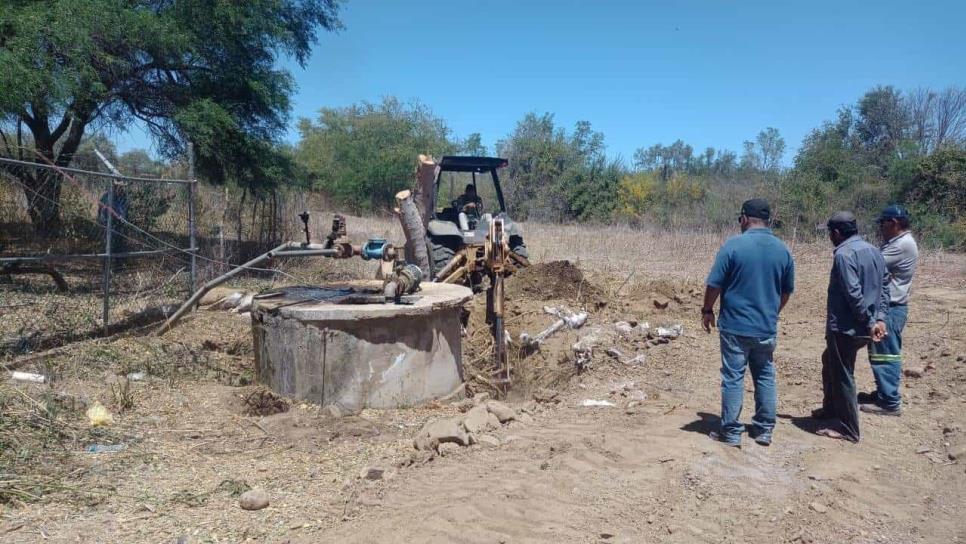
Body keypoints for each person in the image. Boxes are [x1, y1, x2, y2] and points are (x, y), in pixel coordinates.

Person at [702, 198, 795, 447]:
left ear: (744, 218)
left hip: (735, 326)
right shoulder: (783, 249)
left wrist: (707, 309)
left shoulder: (733, 246)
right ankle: (764, 430)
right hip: (766, 326)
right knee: (765, 374)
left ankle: (731, 432)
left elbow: (714, 284)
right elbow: (786, 291)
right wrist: (773, 312)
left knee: (733, 376)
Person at [814, 211, 889, 442]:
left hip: (846, 327)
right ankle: (831, 408)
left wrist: (869, 322)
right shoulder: (874, 250)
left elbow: (852, 293)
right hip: (866, 324)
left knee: (843, 374)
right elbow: (885, 287)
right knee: (830, 361)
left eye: (829, 233)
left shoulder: (844, 255)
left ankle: (848, 428)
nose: (829, 237)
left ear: (836, 233)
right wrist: (880, 319)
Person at [860, 205, 918, 416]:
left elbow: (870, 263)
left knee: (886, 355)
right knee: (879, 353)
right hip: (890, 307)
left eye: (883, 223)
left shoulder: (902, 245)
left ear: (893, 223)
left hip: (891, 308)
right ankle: (883, 394)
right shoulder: (897, 242)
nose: (880, 227)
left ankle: (890, 402)